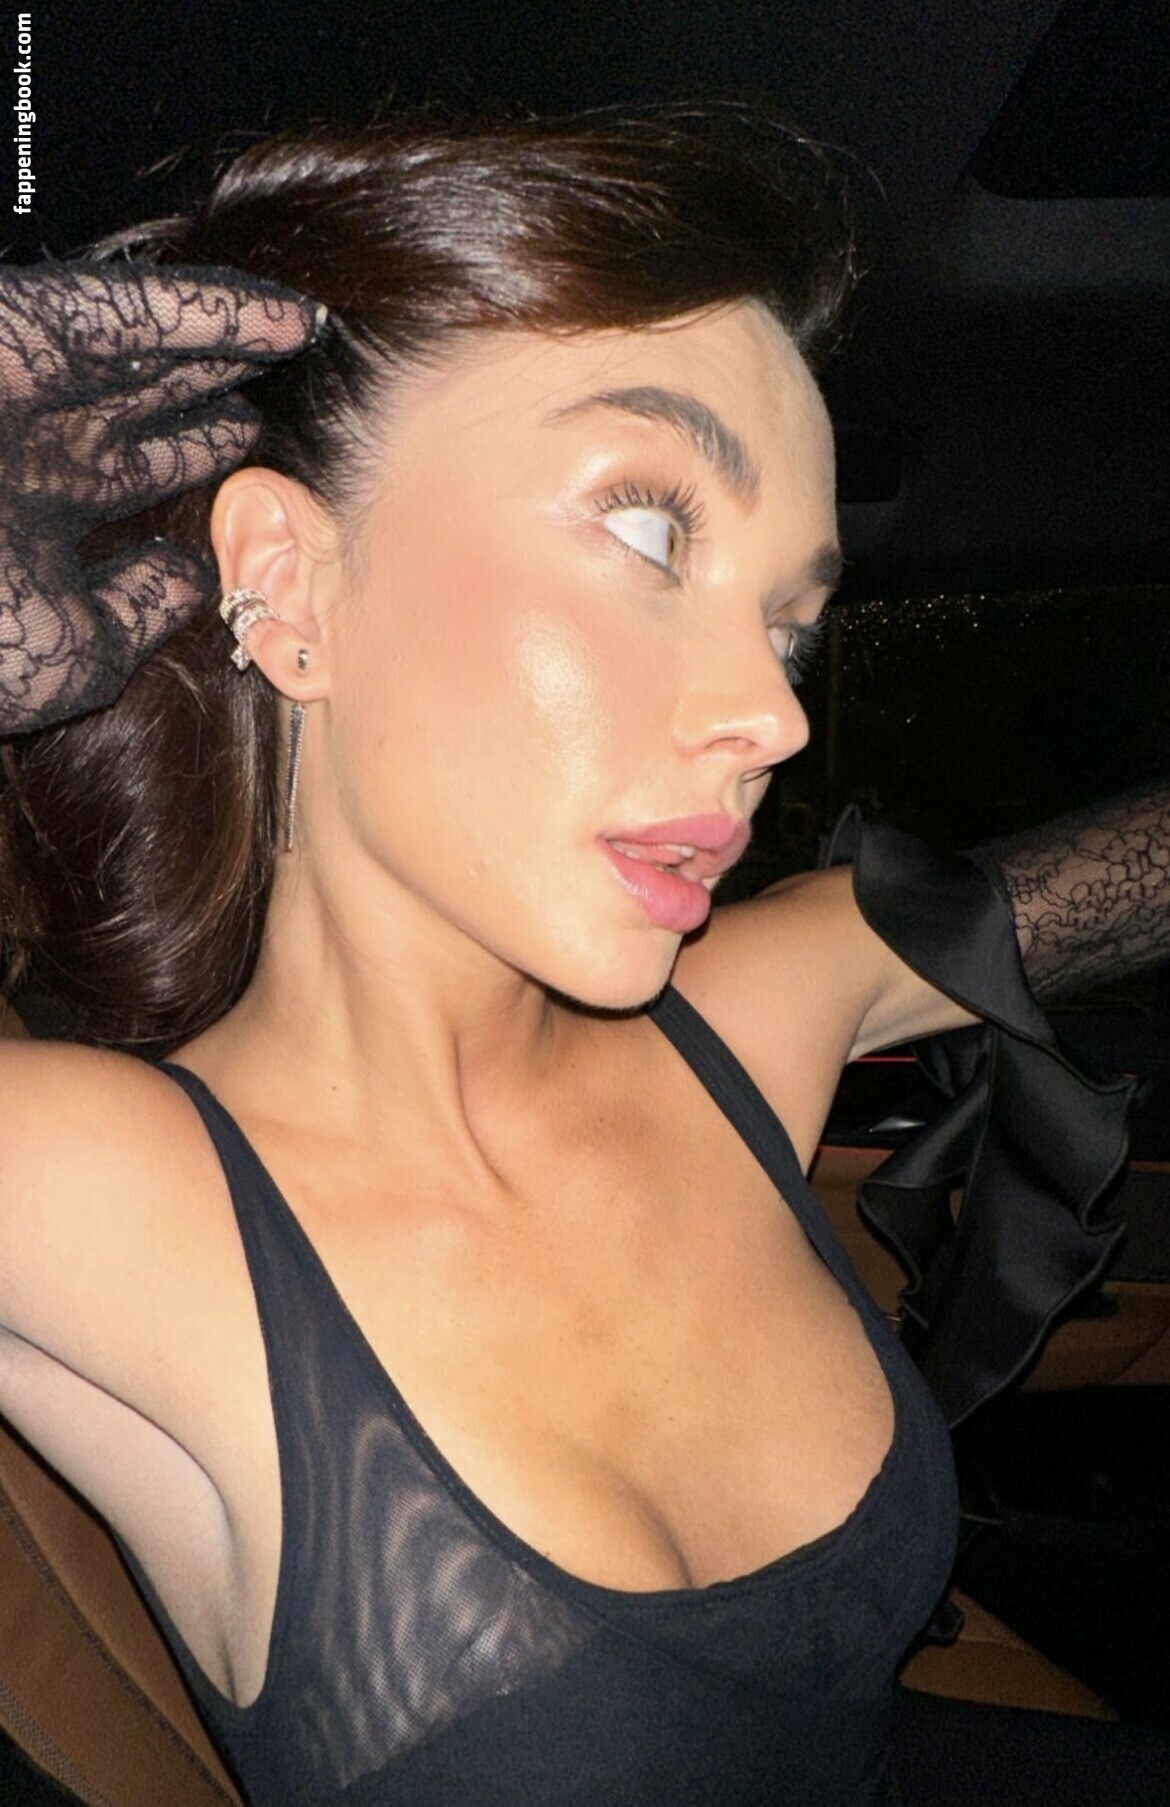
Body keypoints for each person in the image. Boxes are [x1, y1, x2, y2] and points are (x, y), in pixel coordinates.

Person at [0, 111, 1166, 1807]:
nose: (769, 714)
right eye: (651, 533)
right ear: (289, 580)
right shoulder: (118, 1193)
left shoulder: (731, 1035)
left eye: (788, 625)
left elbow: (1118, 884)